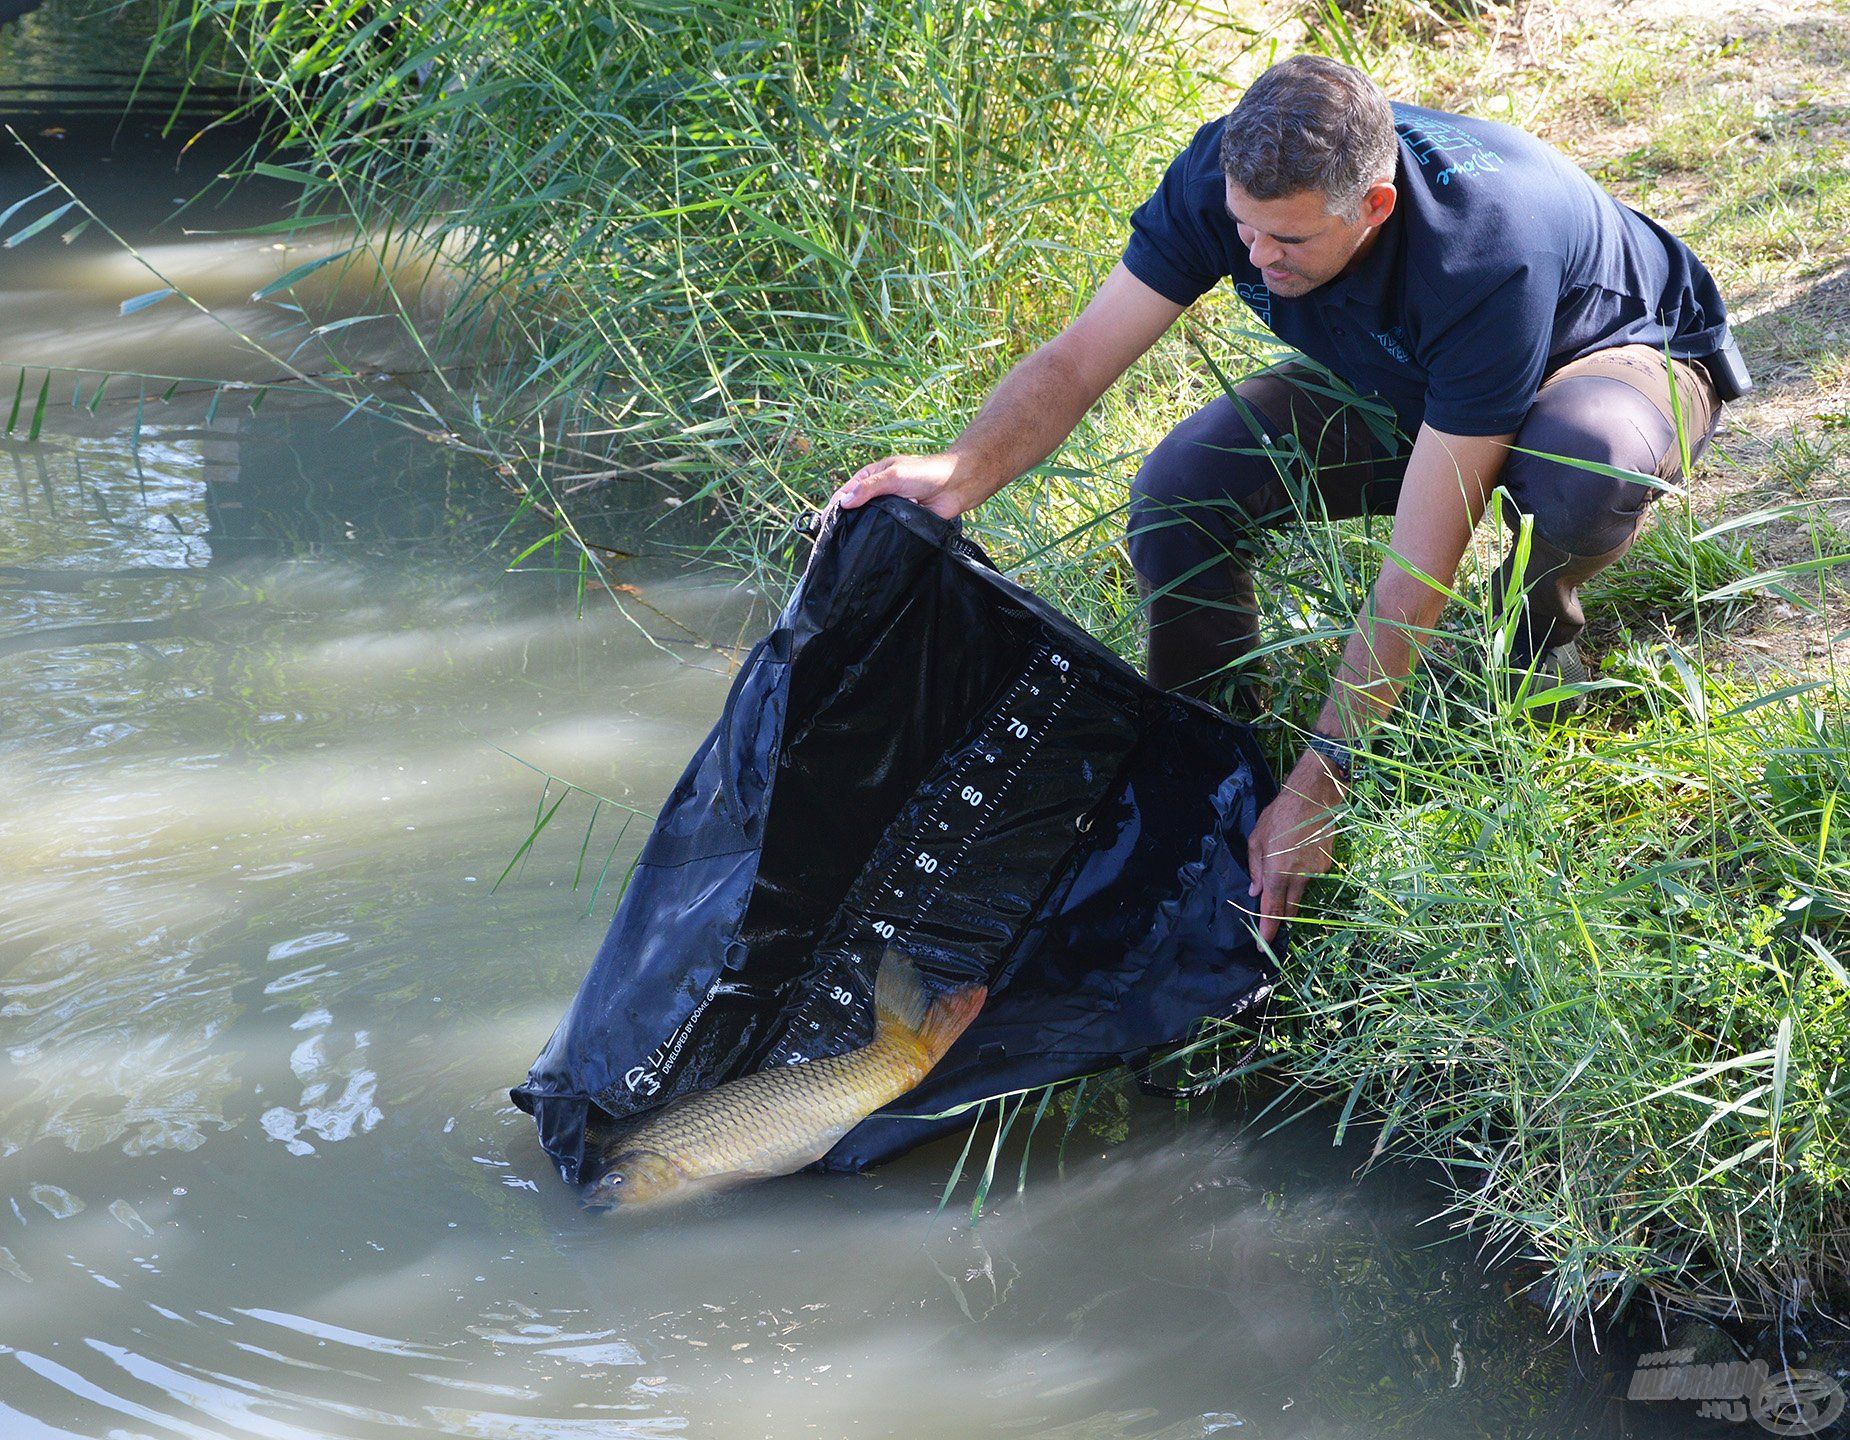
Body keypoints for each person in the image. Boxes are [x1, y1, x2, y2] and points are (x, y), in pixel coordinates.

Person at [827, 54, 1749, 946]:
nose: (1258, 256)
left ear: (1375, 206)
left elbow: (1419, 565)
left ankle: (1536, 649)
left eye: (1291, 239)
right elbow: (1075, 360)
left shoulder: (1484, 252)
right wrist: (961, 469)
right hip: (1416, 375)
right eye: (1245, 231)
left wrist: (1326, 779)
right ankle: (1211, 750)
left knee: (1579, 471)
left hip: (1611, 359)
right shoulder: (1229, 178)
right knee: (1178, 494)